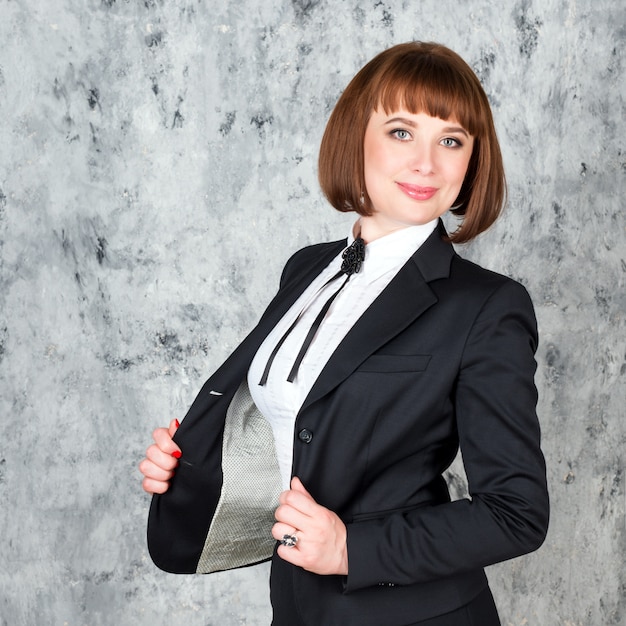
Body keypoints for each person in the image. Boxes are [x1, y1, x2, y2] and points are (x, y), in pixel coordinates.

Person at [139, 41, 549, 625]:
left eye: (451, 140)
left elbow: (516, 513)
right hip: (298, 606)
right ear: (356, 136)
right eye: (402, 132)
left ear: (471, 162)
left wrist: (352, 551)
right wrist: (189, 464)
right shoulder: (306, 268)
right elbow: (295, 436)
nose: (426, 163)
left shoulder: (488, 306)